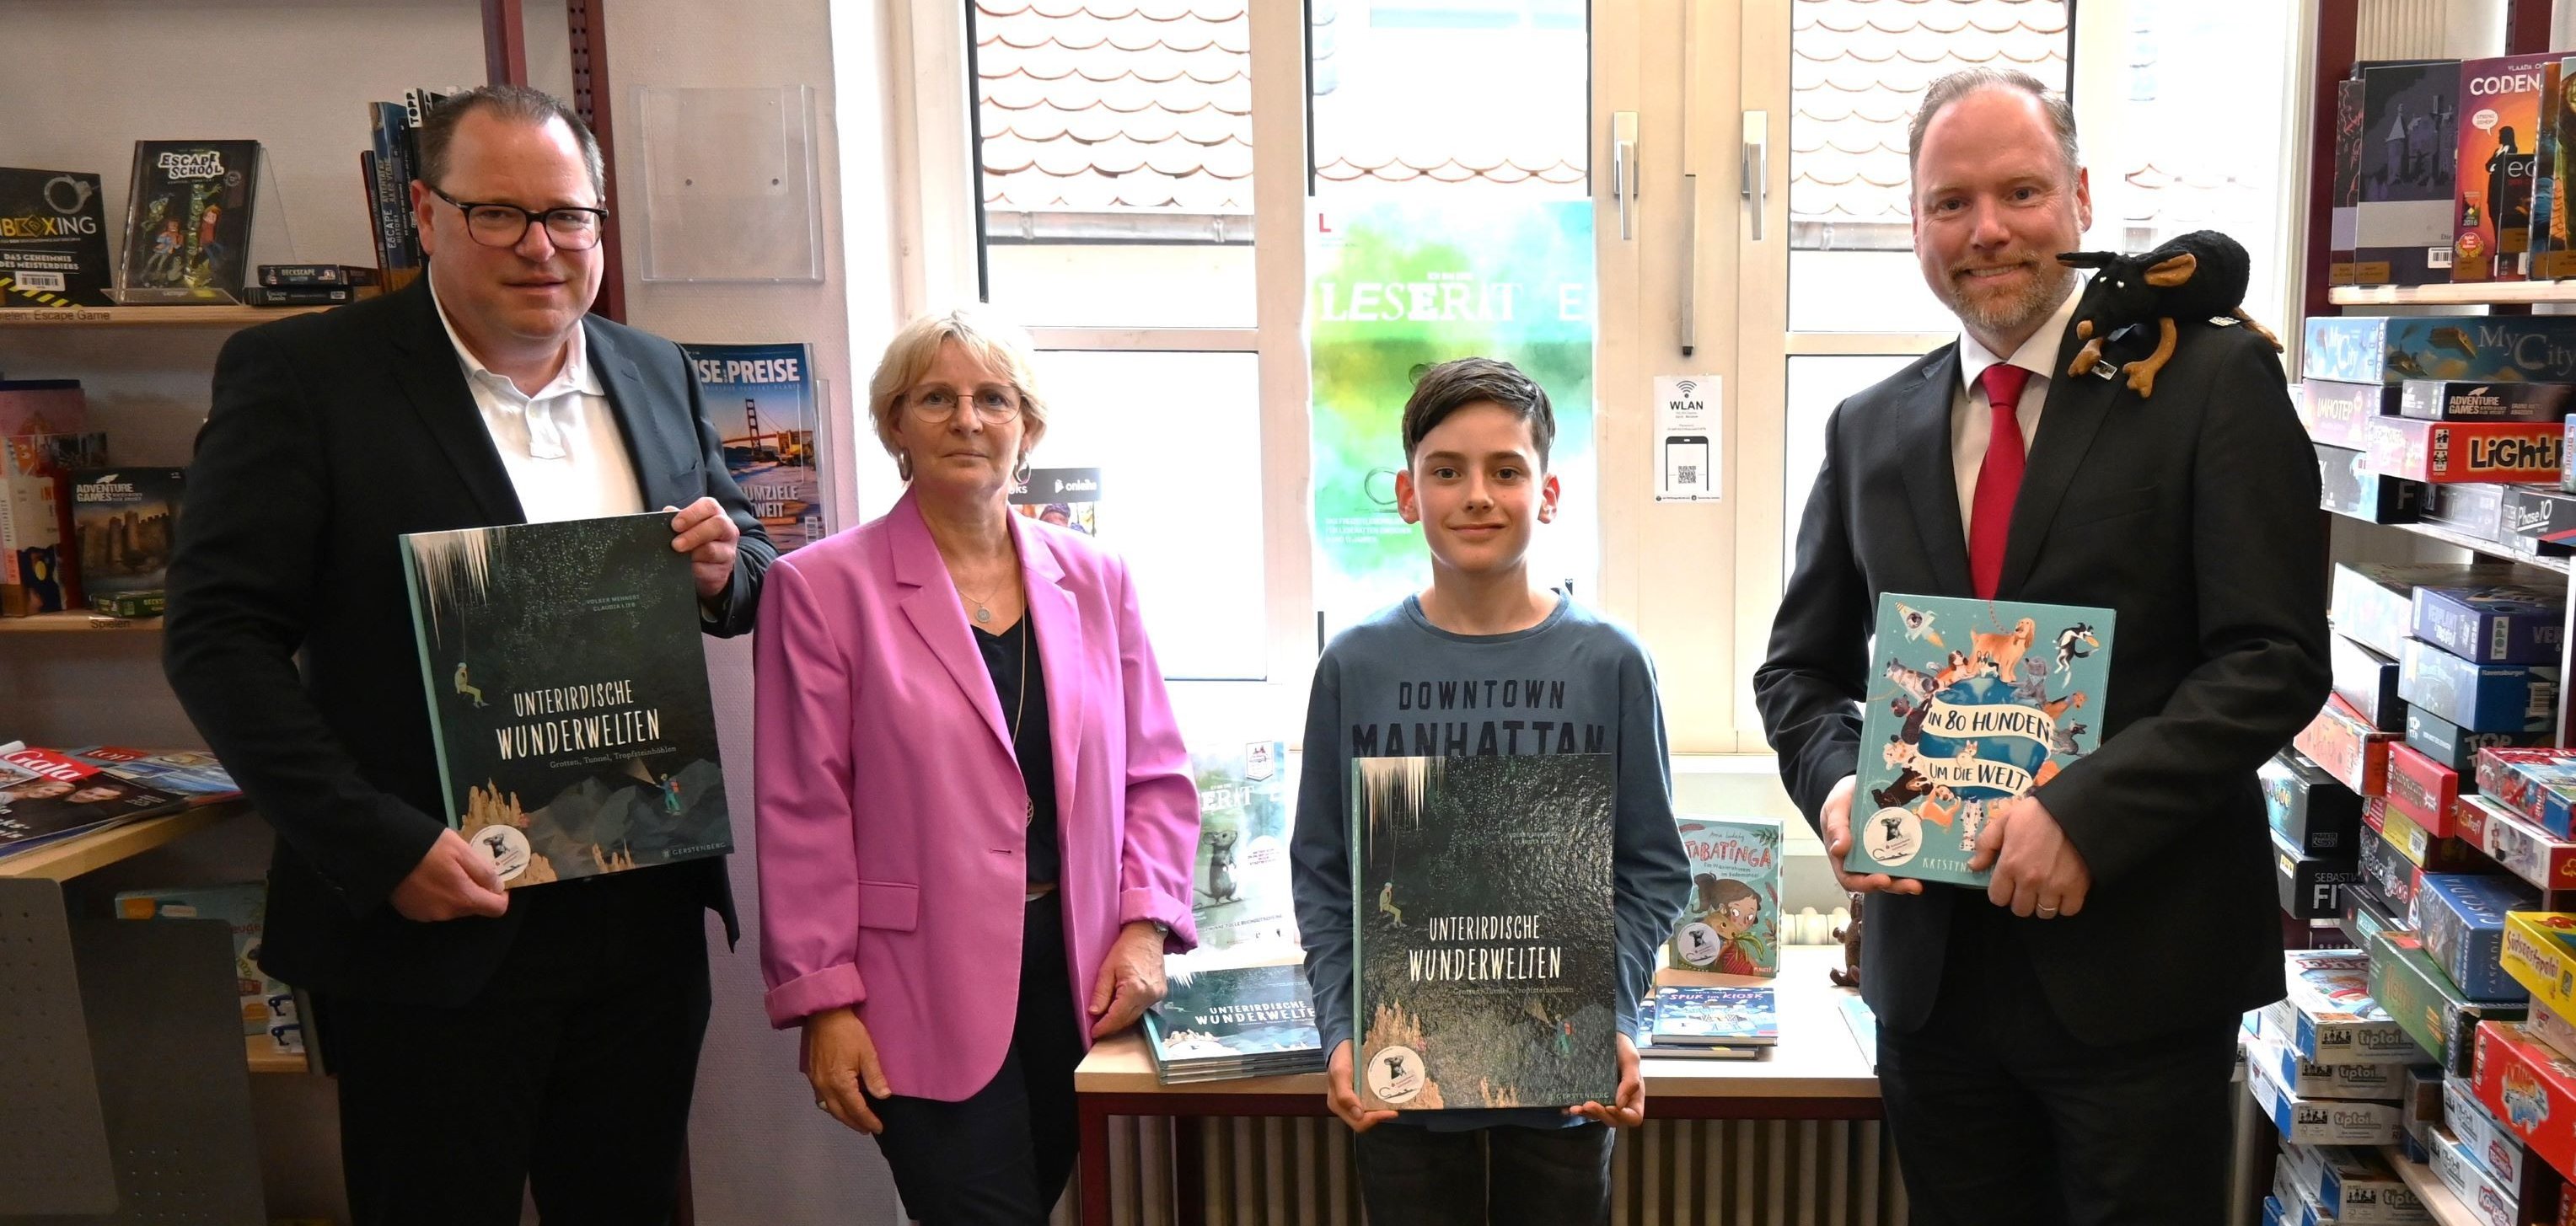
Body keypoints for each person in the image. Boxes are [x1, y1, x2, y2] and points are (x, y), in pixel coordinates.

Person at [161, 84, 773, 1225]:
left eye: (569, 215)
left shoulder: (652, 370)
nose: (542, 246)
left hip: (638, 913)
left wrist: (721, 568)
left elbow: (748, 578)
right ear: (426, 212)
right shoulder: (307, 377)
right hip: (432, 919)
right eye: (501, 213)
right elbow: (216, 637)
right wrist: (377, 842)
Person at [1752, 67, 2329, 1224]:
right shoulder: (1869, 428)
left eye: (2019, 192)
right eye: (1950, 202)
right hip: (1932, 988)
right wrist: (1834, 793)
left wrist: (2085, 813)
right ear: (1915, 225)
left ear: (2078, 198)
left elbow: (2272, 657)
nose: (1987, 231)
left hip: (2143, 976)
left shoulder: (2211, 381)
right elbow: (1799, 672)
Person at [754, 306, 1199, 1225]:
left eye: (993, 398)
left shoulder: (1097, 579)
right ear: (894, 427)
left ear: (1026, 428)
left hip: (1077, 978)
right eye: (935, 398)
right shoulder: (820, 589)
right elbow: (801, 812)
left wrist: (1146, 924)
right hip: (912, 988)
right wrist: (822, 1003)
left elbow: (1153, 777)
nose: (967, 419)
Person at [1289, 357, 1690, 1226]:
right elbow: (1324, 876)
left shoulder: (1610, 663)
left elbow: (1653, 871)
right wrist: (1340, 1030)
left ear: (1546, 493)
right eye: (1446, 470)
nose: (1477, 494)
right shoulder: (1354, 668)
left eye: (1505, 470)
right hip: (1400, 1083)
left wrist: (1610, 1014)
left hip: (1560, 1083)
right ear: (1405, 494)